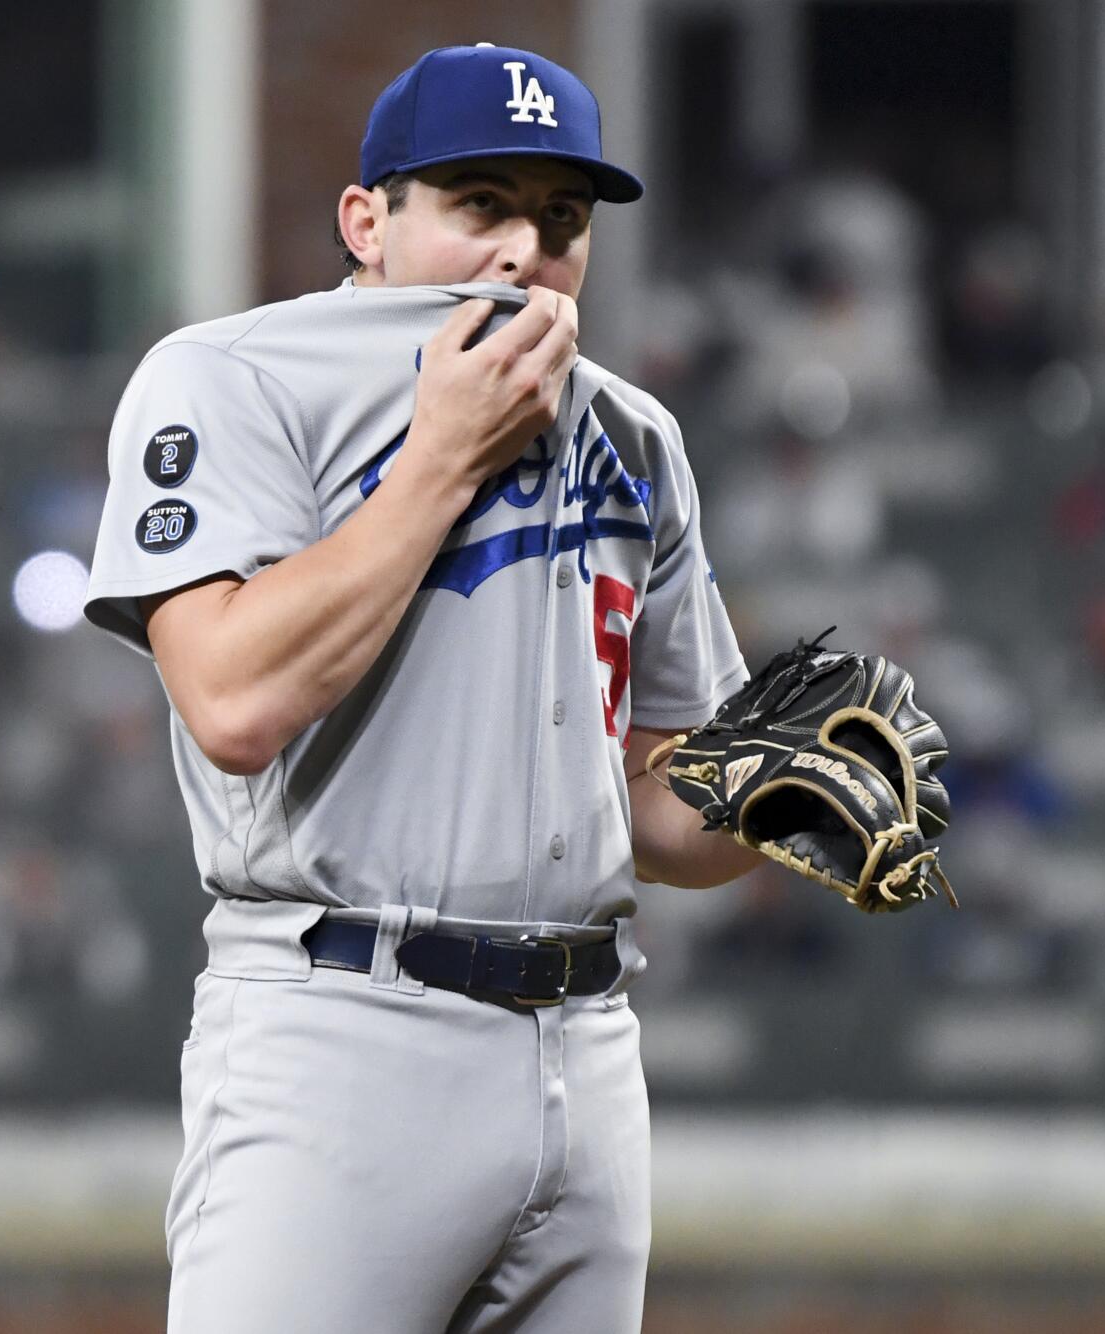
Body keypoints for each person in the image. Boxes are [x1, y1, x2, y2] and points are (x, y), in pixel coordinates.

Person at [85, 45, 769, 1332]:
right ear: (368, 219)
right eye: (479, 203)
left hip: (585, 1045)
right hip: (343, 1024)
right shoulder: (235, 377)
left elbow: (656, 810)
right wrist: (438, 458)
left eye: (560, 219)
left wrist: (793, 787)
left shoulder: (634, 435)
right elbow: (230, 702)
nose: (523, 249)